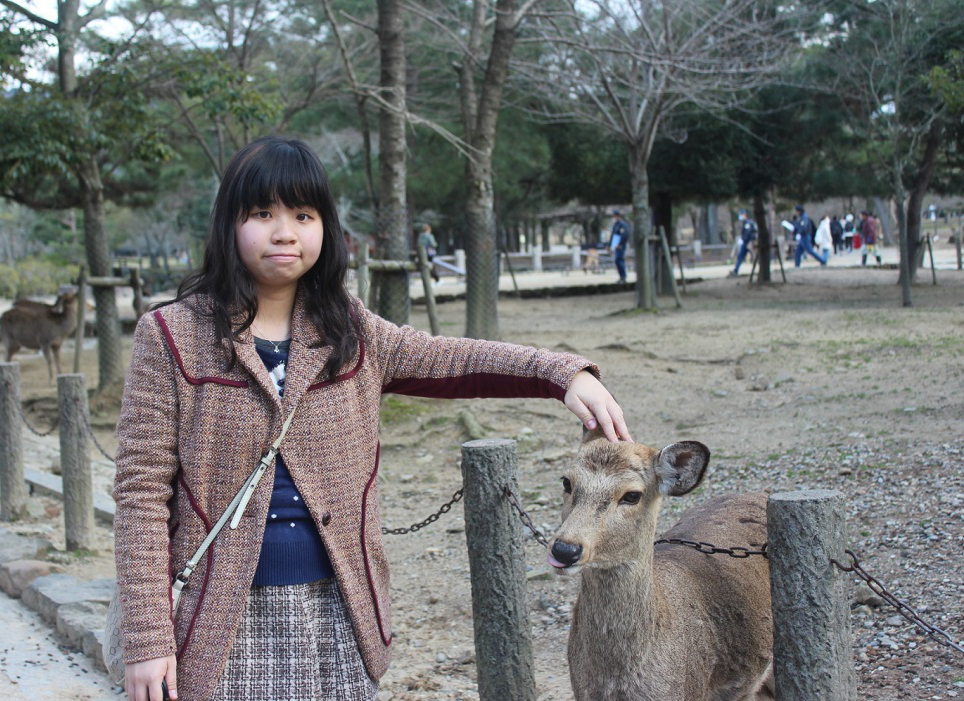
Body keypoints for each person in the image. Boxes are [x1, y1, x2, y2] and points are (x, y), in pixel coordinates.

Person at [112, 136, 633, 701]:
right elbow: (140, 492)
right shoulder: (170, 336)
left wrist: (562, 374)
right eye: (262, 213)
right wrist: (147, 639)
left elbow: (452, 359)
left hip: (338, 610)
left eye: (303, 215)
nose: (284, 231)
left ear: (325, 229)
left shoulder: (350, 332)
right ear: (229, 224)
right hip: (215, 619)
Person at [731, 209, 757, 276]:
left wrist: (744, 239)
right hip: (745, 242)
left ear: (744, 215)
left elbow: (748, 233)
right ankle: (736, 270)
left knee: (755, 256)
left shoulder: (748, 223)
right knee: (740, 256)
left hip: (749, 242)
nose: (740, 216)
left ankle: (759, 270)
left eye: (741, 215)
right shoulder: (744, 223)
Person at [609, 209, 629, 283]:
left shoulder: (622, 225)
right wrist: (610, 245)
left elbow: (624, 235)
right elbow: (613, 235)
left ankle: (623, 277)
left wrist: (620, 244)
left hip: (620, 245)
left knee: (619, 260)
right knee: (617, 261)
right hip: (615, 244)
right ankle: (621, 277)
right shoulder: (616, 225)